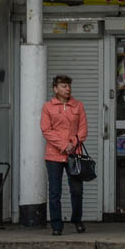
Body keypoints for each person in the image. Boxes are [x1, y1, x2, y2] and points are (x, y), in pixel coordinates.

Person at [40, 74, 88, 236]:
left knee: (77, 190)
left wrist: (73, 143)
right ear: (55, 89)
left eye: (68, 86)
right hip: (53, 155)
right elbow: (46, 130)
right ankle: (56, 225)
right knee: (55, 192)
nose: (67, 89)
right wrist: (63, 145)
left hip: (74, 155)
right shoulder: (48, 107)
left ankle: (77, 219)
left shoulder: (78, 106)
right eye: (63, 86)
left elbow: (83, 129)